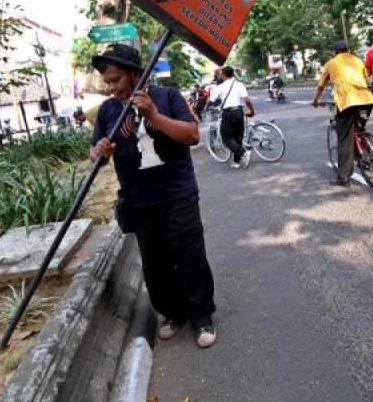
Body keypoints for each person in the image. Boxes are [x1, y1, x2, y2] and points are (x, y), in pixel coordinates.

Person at [89, 43, 217, 348]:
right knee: (155, 266)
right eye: (108, 83)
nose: (113, 88)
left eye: (117, 80)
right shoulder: (108, 110)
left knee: (190, 257)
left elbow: (192, 135)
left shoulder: (167, 96)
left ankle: (201, 316)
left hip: (177, 196)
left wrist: (154, 115)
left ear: (136, 73)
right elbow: (94, 150)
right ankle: (173, 313)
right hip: (139, 203)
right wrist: (100, 152)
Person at [311, 40, 373, 187]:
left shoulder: (331, 63)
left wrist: (315, 100)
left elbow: (321, 85)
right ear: (349, 50)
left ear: (335, 53)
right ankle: (365, 148)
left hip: (347, 102)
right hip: (367, 100)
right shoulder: (358, 61)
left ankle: (343, 177)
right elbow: (366, 79)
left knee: (344, 139)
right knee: (358, 128)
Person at [210, 65, 255, 169]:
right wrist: (252, 111)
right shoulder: (239, 85)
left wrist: (207, 107)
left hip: (229, 113)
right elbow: (247, 100)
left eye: (221, 73)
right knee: (237, 137)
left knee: (226, 138)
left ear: (224, 74)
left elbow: (210, 100)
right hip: (239, 112)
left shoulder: (221, 86)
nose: (220, 74)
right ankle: (237, 162)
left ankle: (243, 152)